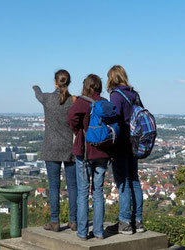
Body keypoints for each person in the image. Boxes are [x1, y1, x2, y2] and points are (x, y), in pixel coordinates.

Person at [33, 69, 77, 232]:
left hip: (51, 148)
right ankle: (74, 221)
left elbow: (38, 94)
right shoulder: (73, 101)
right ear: (68, 82)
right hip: (69, 147)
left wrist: (35, 87)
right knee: (73, 185)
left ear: (55, 82)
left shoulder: (48, 99)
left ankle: (54, 221)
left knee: (54, 186)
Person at [67, 74, 110, 240]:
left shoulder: (82, 102)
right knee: (98, 192)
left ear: (85, 86)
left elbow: (71, 119)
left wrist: (78, 132)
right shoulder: (105, 103)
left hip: (84, 151)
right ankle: (99, 232)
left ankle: (83, 232)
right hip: (103, 152)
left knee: (83, 192)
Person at [105, 65, 145, 235]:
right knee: (134, 181)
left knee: (123, 183)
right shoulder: (134, 94)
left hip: (121, 144)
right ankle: (138, 221)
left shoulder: (116, 95)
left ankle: (125, 222)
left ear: (111, 78)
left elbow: (114, 119)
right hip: (134, 144)